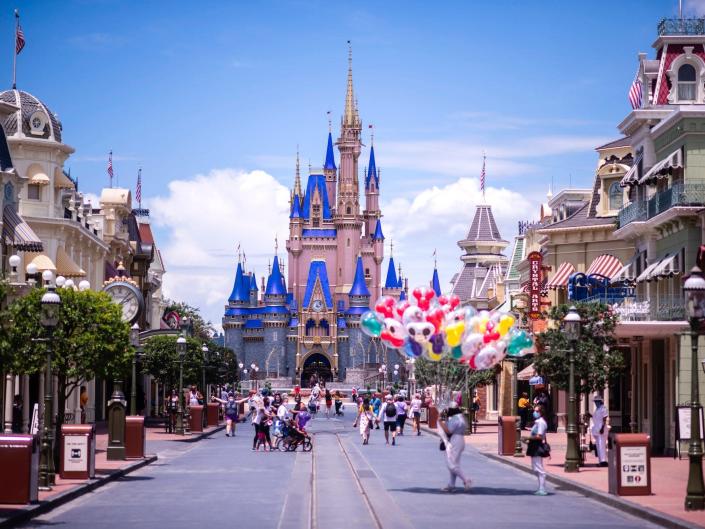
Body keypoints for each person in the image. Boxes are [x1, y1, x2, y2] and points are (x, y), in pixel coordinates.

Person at [438, 403, 471, 492]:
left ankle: (466, 480)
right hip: (459, 439)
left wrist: (440, 422)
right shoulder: (461, 417)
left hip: (455, 440)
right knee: (454, 464)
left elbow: (448, 431)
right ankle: (451, 484)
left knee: (451, 464)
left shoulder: (456, 418)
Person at [523, 405, 549, 496]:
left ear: (541, 412)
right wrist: (528, 440)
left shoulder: (541, 422)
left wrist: (529, 437)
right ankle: (540, 487)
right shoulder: (537, 422)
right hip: (533, 445)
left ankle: (542, 488)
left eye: (537, 411)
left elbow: (540, 436)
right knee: (535, 468)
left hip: (537, 447)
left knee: (539, 467)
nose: (535, 412)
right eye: (534, 411)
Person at [591, 394, 609, 467]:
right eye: (595, 401)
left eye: (597, 401)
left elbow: (604, 419)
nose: (596, 403)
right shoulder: (597, 409)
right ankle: (600, 461)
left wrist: (602, 428)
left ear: (600, 401)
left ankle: (604, 461)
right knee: (598, 446)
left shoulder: (603, 408)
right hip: (596, 429)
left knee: (602, 445)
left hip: (602, 429)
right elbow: (596, 418)